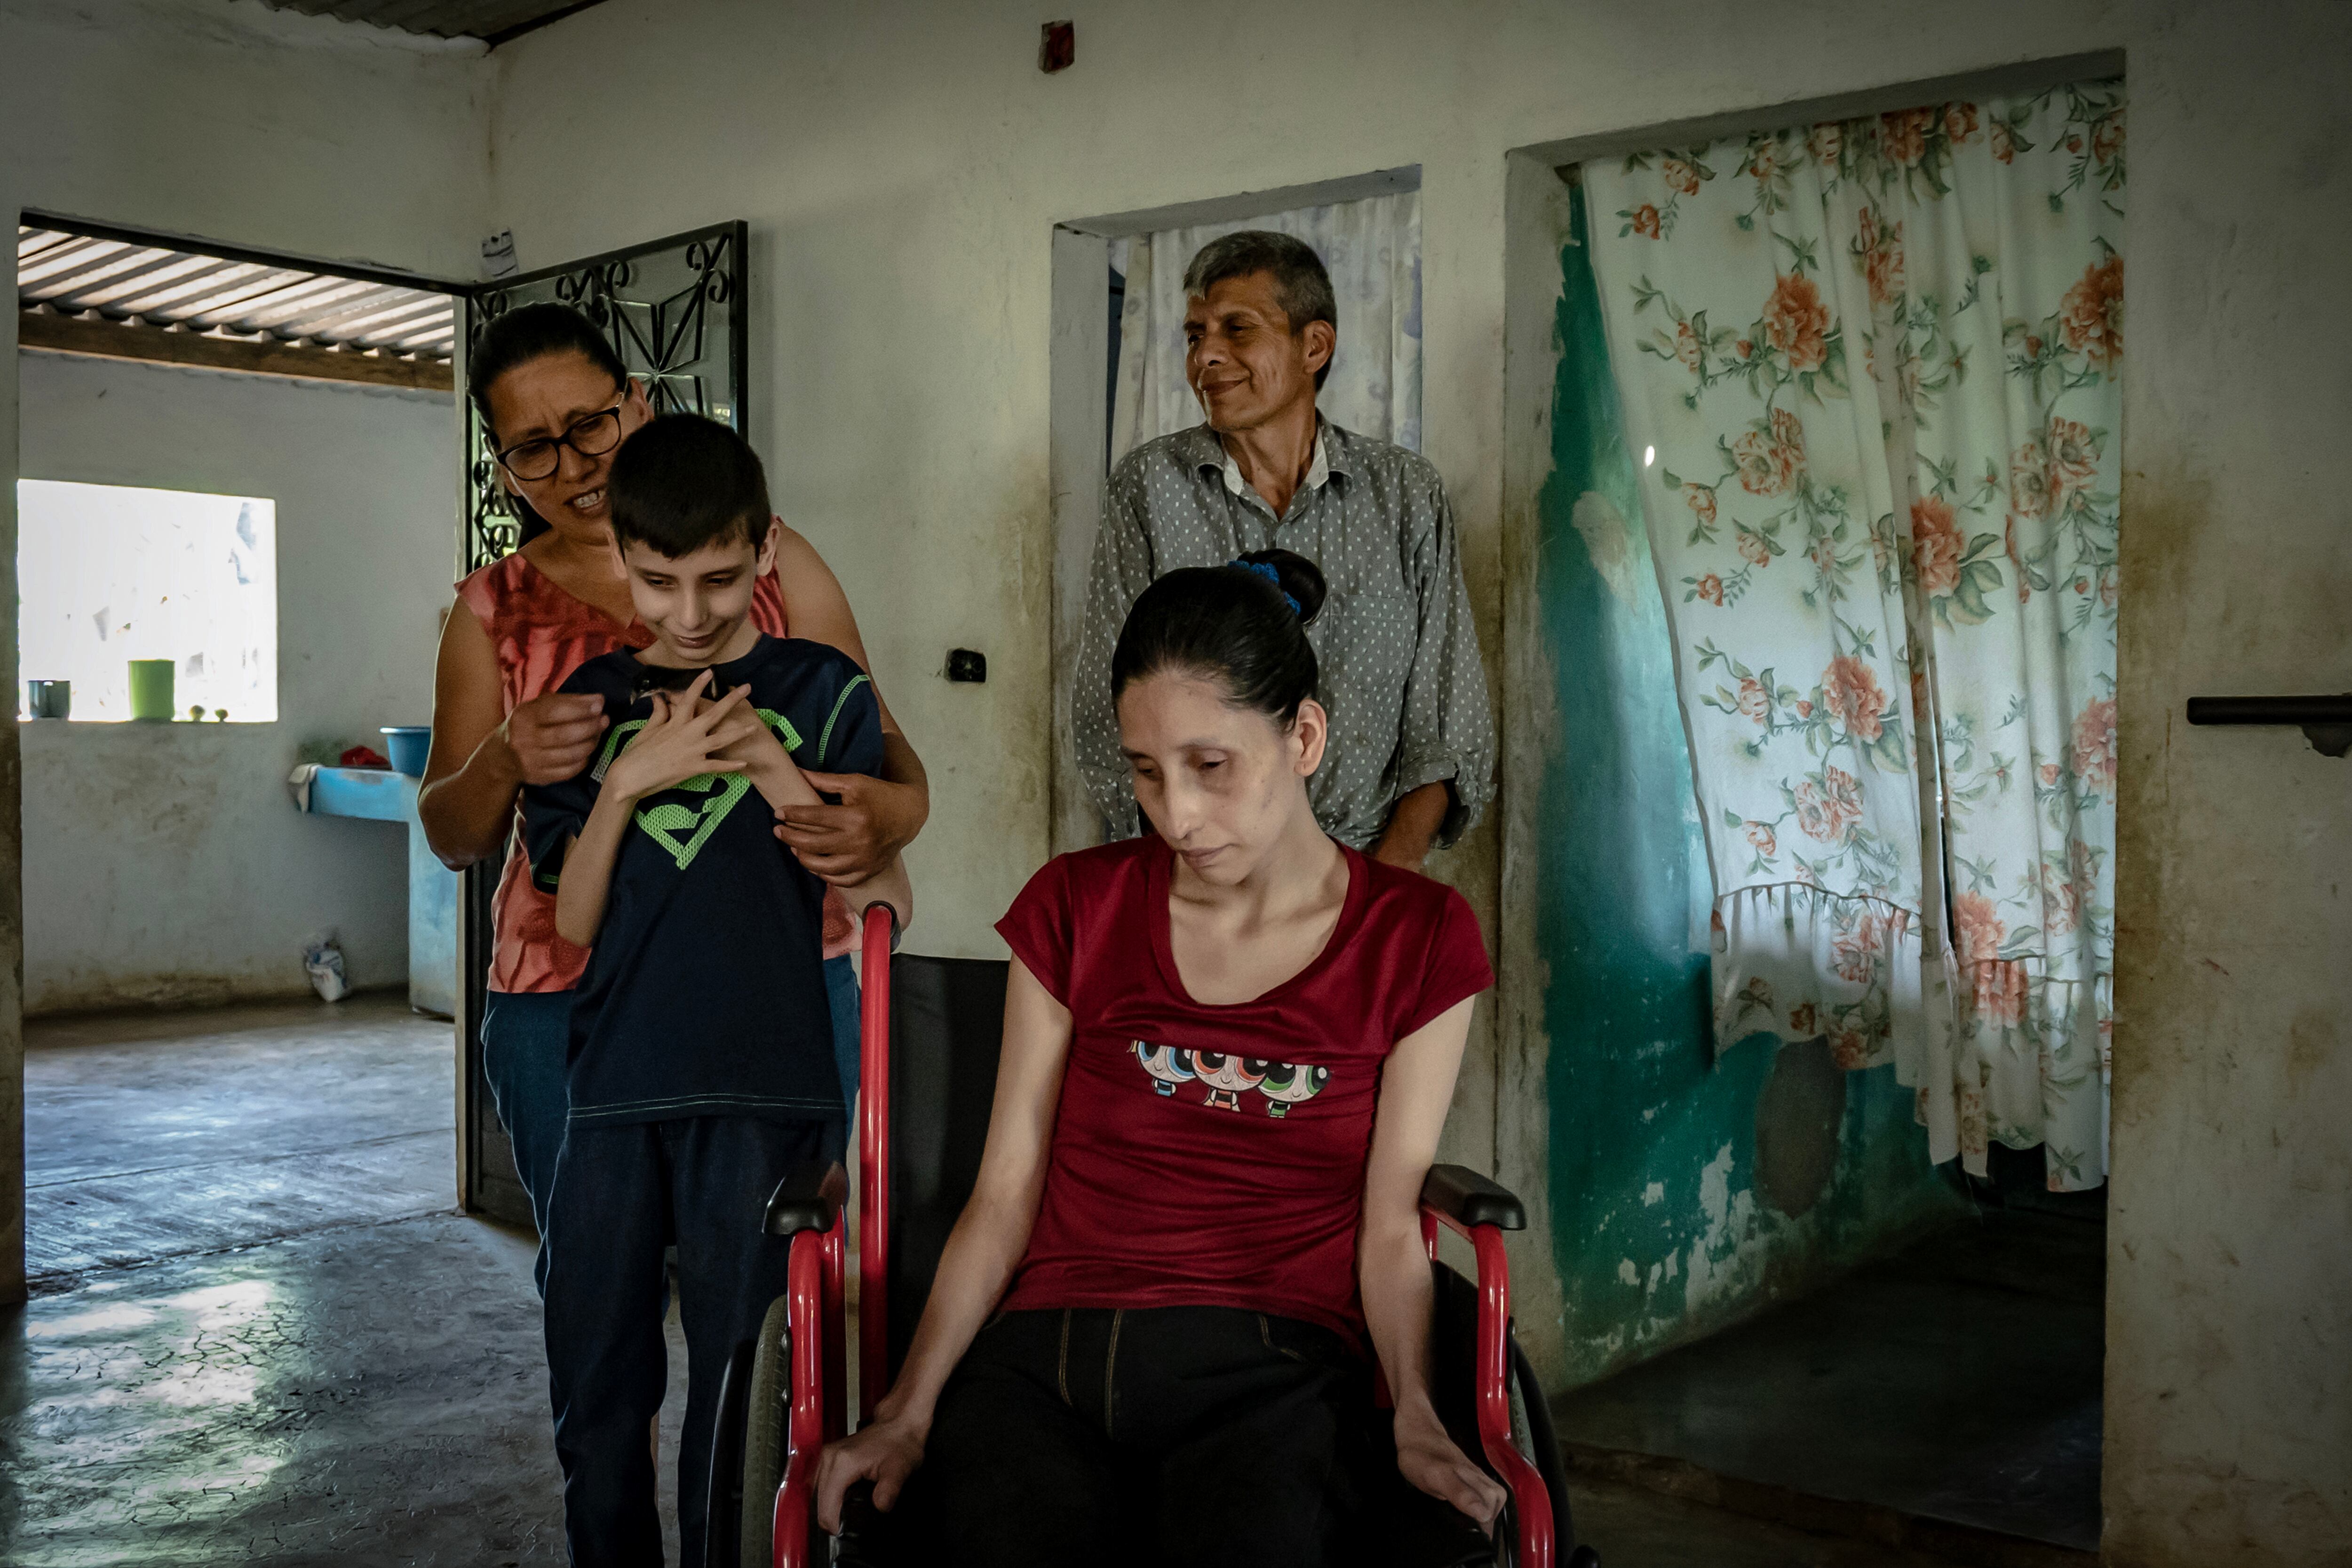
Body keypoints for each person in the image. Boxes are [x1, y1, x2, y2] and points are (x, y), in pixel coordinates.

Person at [817, 551, 1501, 1565]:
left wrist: (1414, 1412)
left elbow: (1391, 1225)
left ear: (1303, 736)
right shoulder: (1076, 907)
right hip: (1046, 1357)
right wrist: (908, 1408)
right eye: (1146, 770)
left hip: (1273, 1366)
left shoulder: (1418, 938)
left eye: (1210, 764)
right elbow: (1004, 1196)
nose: (1175, 814)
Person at [419, 302, 928, 1282]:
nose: (572, 466)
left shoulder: (770, 558)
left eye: (590, 426)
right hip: (564, 992)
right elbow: (451, 832)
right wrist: (501, 758)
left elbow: (886, 755)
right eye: (534, 448)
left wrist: (895, 817)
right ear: (500, 463)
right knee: (599, 1286)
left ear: (637, 405)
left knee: (785, 1275)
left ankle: (755, 1444)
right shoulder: (493, 610)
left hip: (780, 970)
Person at [520, 414, 912, 1566]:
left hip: (762, 1081)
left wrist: (762, 756)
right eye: (657, 582)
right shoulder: (589, 709)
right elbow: (575, 919)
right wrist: (629, 781)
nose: (688, 615)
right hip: (612, 1089)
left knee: (743, 1392)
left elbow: (874, 887)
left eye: (720, 580)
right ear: (621, 560)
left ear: (766, 551)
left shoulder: (823, 688)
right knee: (597, 1386)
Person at [1074, 230, 1494, 871]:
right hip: (1196, 882)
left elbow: (1447, 725)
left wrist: (1373, 896)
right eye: (1195, 335)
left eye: (1237, 329)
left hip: (1368, 878)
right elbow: (1111, 714)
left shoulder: (1406, 494)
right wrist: (1204, 881)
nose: (1205, 357)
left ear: (1314, 346)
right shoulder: (1150, 487)